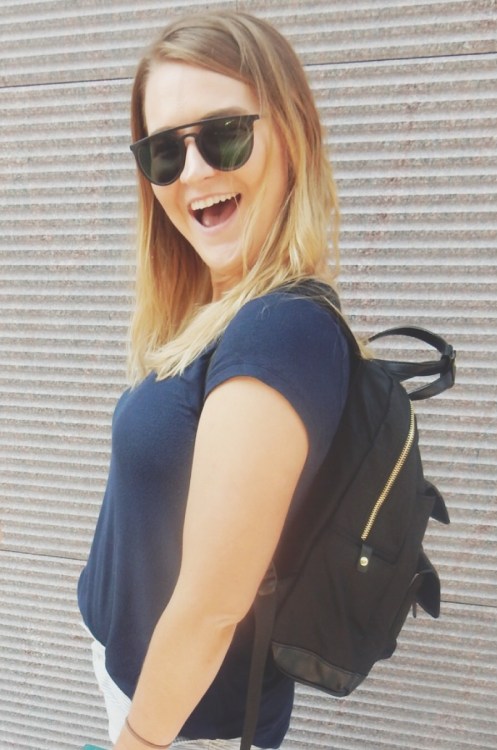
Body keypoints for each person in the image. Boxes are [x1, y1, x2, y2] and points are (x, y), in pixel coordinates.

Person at [77, 10, 351, 750]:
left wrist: (136, 742)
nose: (193, 171)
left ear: (290, 131)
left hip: (180, 723)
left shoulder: (279, 333)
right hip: (146, 687)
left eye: (224, 133)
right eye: (165, 151)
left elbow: (210, 609)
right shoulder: (226, 312)